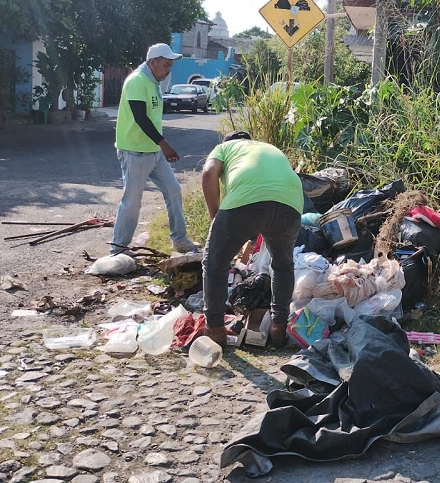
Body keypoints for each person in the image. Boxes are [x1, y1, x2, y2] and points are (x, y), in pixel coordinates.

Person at [201, 131, 303, 348]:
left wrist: (215, 218)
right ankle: (278, 327)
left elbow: (209, 173)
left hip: (245, 201)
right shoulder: (269, 148)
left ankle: (215, 328)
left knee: (215, 263)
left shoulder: (225, 148)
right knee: (283, 265)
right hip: (291, 203)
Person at [110, 43, 199, 255]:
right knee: (132, 201)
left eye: (170, 66)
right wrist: (164, 144)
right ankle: (118, 249)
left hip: (153, 151)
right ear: (153, 62)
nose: (168, 70)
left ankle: (179, 240)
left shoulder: (153, 81)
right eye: (166, 65)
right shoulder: (137, 82)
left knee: (173, 190)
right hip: (135, 151)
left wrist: (159, 147)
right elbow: (141, 118)